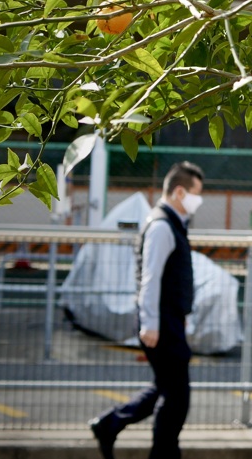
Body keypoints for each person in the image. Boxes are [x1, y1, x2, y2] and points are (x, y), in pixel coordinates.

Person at [89, 161, 205, 459]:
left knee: (166, 390)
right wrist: (151, 323)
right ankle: (161, 453)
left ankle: (109, 424)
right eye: (196, 194)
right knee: (177, 398)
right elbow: (151, 279)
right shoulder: (162, 226)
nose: (198, 201)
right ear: (179, 192)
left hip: (169, 320)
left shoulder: (170, 223)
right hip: (161, 323)